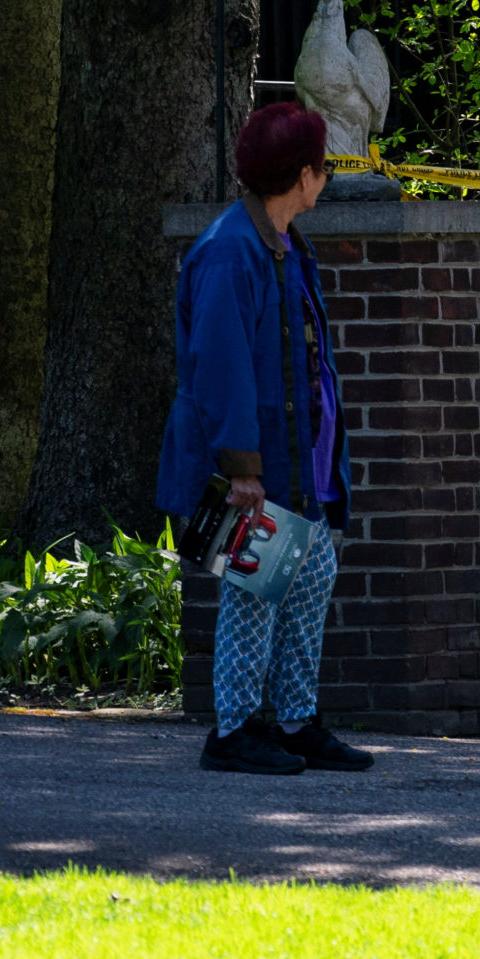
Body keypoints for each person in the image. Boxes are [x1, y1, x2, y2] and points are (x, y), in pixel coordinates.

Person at [157, 102, 375, 777]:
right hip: (252, 467)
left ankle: (294, 720)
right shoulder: (232, 252)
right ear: (303, 174)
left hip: (292, 463)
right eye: (324, 166)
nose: (328, 178)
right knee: (255, 590)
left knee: (310, 575)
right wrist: (243, 469)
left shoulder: (278, 244)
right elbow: (221, 370)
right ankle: (233, 729)